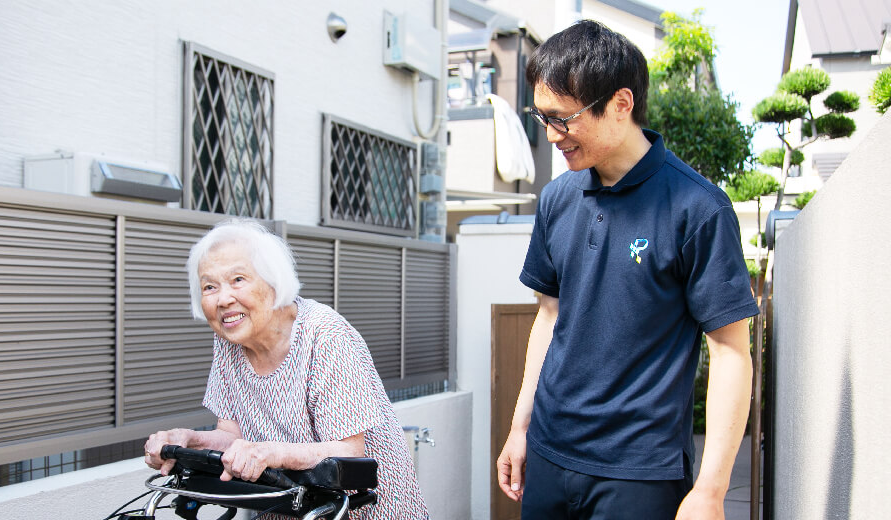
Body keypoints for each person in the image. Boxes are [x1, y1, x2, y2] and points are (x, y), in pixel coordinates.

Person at [495, 20, 758, 520]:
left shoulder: (698, 208)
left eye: (563, 119)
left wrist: (711, 491)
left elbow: (729, 352)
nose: (551, 135)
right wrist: (520, 427)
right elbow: (549, 317)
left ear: (621, 103)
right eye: (541, 117)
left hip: (640, 471)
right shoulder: (557, 199)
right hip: (550, 452)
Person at [144, 218, 428, 520]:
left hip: (363, 508)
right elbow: (232, 434)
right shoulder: (230, 339)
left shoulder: (325, 335)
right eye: (209, 286)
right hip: (292, 505)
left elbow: (349, 451)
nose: (223, 299)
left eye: (238, 279)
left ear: (273, 280)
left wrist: (271, 453)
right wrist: (188, 440)